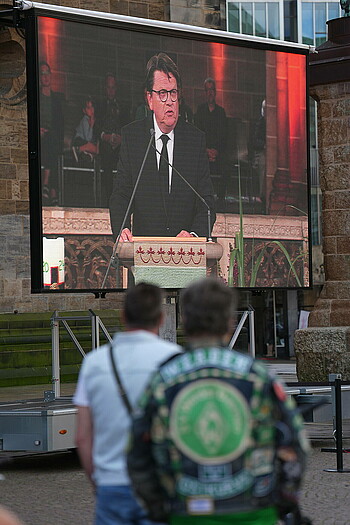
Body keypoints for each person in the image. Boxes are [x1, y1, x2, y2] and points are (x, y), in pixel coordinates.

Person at [127, 278, 309, 524]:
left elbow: (137, 452)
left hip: (186, 512)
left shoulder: (163, 379)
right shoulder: (258, 376)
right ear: (230, 323)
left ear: (185, 321)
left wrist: (162, 506)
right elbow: (295, 444)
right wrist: (281, 500)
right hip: (254, 511)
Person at [74, 282, 181, 525]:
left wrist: (98, 482)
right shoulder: (177, 361)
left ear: (123, 316)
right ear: (161, 318)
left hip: (112, 484)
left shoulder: (94, 362)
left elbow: (82, 436)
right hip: (161, 483)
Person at [109, 53, 216, 241]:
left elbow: (207, 204)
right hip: (144, 256)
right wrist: (122, 229)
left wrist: (194, 235)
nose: (169, 101)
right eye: (162, 93)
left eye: (173, 93)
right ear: (150, 99)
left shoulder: (195, 141)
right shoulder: (133, 138)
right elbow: (121, 196)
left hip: (184, 258)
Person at [96, 73, 129, 206]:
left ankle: (123, 198)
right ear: (105, 88)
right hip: (105, 142)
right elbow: (96, 126)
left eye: (113, 87)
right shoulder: (100, 105)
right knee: (106, 156)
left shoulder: (123, 106)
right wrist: (105, 136)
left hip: (120, 143)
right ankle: (109, 198)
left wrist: (121, 138)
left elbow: (127, 125)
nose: (111, 90)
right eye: (108, 87)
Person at [195, 78, 228, 205]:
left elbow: (224, 136)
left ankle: (221, 199)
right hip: (204, 152)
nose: (210, 93)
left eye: (212, 90)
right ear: (205, 93)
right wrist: (206, 151)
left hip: (218, 152)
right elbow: (198, 133)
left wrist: (216, 151)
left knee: (226, 166)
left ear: (215, 92)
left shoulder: (221, 112)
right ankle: (203, 198)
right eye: (207, 90)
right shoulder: (200, 111)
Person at [39, 60, 64, 206]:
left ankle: (47, 184)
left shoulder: (56, 99)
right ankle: (53, 192)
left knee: (53, 142)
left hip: (52, 137)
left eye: (47, 73)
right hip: (39, 136)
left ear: (51, 75)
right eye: (42, 74)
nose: (45, 76)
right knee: (51, 145)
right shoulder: (37, 96)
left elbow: (60, 123)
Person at [72, 95, 99, 164]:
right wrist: (91, 126)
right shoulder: (85, 120)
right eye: (88, 108)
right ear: (84, 110)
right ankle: (78, 149)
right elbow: (88, 138)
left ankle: (86, 154)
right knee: (97, 149)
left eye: (92, 107)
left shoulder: (93, 119)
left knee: (97, 147)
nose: (91, 110)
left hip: (85, 141)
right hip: (79, 140)